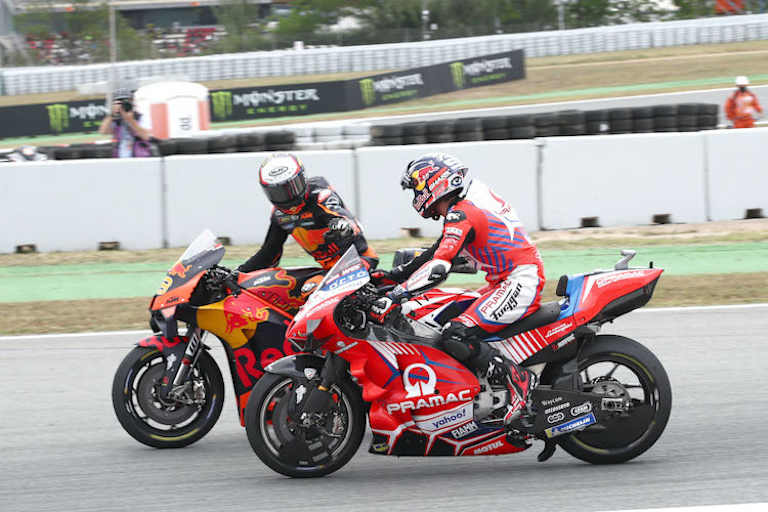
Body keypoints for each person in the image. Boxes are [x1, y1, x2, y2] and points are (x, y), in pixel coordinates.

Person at [371, 152, 544, 424]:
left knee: (456, 334)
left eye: (417, 187)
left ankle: (518, 382)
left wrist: (396, 295)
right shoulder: (465, 203)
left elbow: (439, 266)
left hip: (519, 280)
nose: (415, 195)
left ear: (433, 183)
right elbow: (436, 252)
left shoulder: (463, 211)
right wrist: (391, 277)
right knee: (443, 319)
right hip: (504, 280)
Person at [239, 153, 379, 273]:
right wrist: (239, 273)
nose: (287, 197)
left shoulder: (321, 196)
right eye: (278, 193)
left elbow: (345, 221)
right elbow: (269, 253)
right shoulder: (279, 215)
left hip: (359, 262)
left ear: (303, 179)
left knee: (310, 288)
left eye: (291, 188)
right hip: (329, 271)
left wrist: (340, 226)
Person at [99, 88, 153, 157]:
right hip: (121, 160)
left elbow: (146, 137)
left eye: (126, 101)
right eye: (120, 102)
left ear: (132, 101)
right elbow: (103, 131)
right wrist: (112, 114)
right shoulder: (116, 120)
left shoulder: (141, 117)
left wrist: (131, 120)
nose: (123, 105)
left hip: (139, 159)